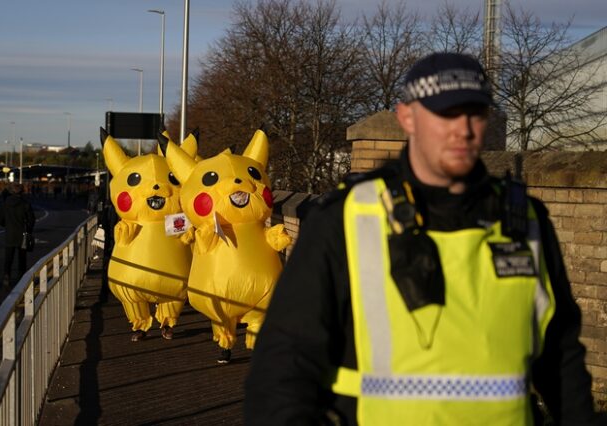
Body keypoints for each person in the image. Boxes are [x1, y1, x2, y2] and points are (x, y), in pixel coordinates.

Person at [244, 52, 605, 425]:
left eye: (475, 113)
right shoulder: (345, 218)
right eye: (445, 113)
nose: (462, 129)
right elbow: (283, 370)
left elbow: (561, 356)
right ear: (407, 117)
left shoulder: (525, 220)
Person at [0, 183, 36, 291]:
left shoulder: (5, 204)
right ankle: (21, 279)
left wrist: (7, 225)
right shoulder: (25, 204)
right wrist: (28, 229)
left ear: (11, 192)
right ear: (21, 192)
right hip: (22, 234)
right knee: (22, 258)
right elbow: (32, 220)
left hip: (10, 234)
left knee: (8, 258)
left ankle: (6, 276)